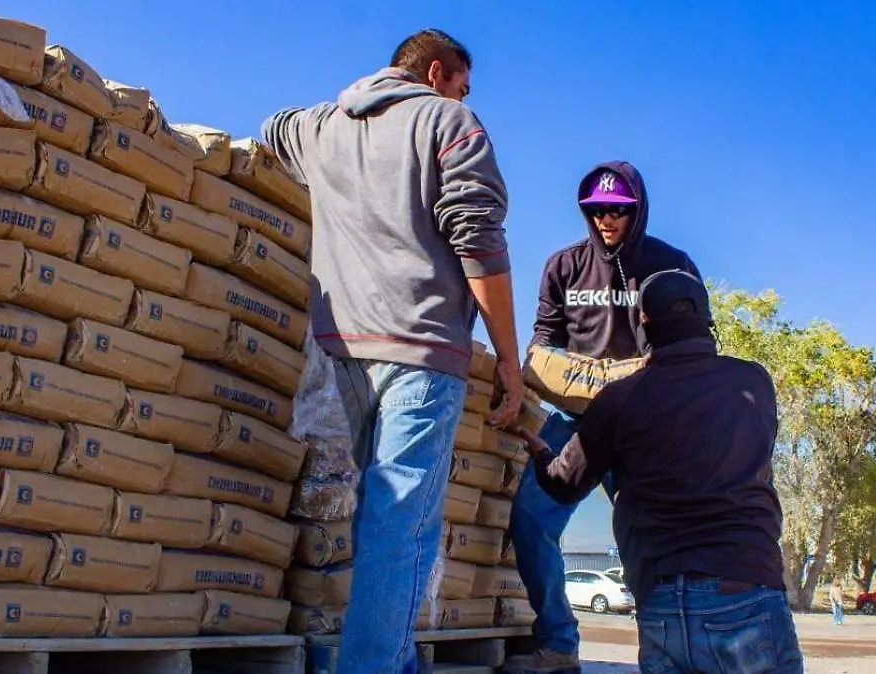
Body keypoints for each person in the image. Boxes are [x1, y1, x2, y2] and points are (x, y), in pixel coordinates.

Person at [260, 29, 524, 674]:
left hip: (341, 349)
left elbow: (271, 127)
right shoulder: (448, 120)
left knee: (390, 518)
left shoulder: (320, 126)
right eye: (463, 84)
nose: (467, 97)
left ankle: (391, 660)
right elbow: (479, 238)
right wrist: (509, 363)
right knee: (398, 523)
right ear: (437, 73)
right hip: (422, 346)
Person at [520, 269, 804, 674]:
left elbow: (563, 485)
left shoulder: (617, 401)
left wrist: (541, 453)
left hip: (661, 604)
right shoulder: (753, 381)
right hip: (744, 589)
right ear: (706, 319)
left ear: (644, 326)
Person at [505, 162, 700, 674]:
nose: (607, 219)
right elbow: (544, 343)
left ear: (637, 210)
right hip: (577, 423)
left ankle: (666, 653)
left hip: (643, 427)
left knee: (649, 538)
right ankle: (558, 642)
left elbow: (698, 341)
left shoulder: (670, 265)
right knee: (529, 520)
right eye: (596, 211)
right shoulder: (563, 266)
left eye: (618, 210)